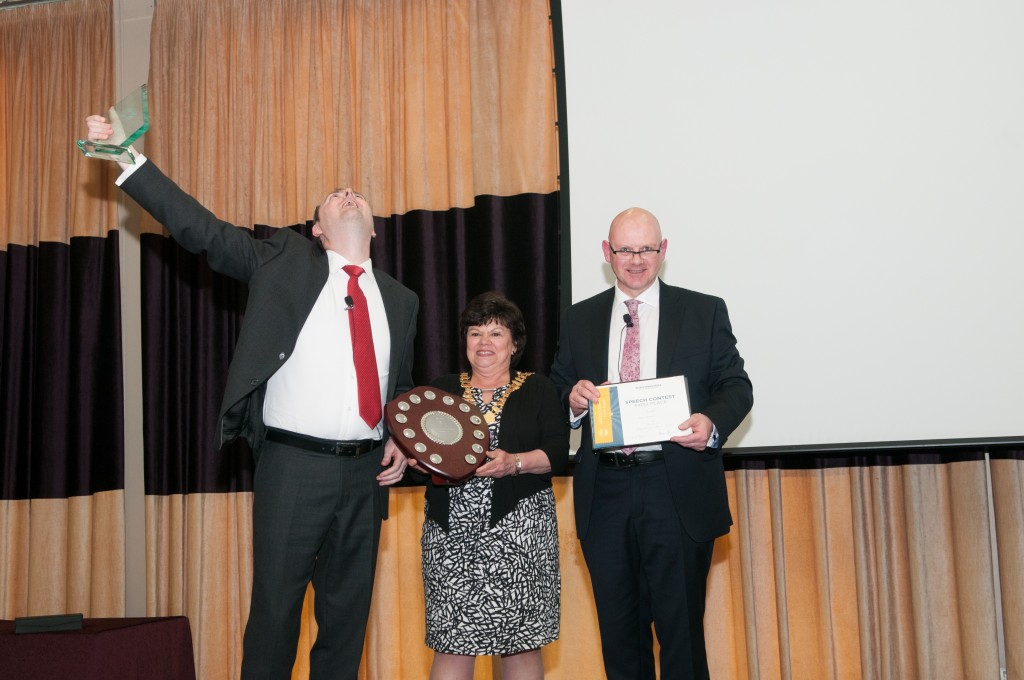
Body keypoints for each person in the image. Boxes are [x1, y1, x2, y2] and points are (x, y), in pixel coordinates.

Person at [84, 116, 419, 680]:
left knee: (347, 620)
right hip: (293, 466)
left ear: (375, 228)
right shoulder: (280, 260)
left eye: (355, 193)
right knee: (275, 613)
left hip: (365, 478)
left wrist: (401, 442)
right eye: (334, 197)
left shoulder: (401, 299)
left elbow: (400, 385)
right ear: (318, 229)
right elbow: (203, 231)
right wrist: (125, 157)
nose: (347, 193)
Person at [550, 208, 753, 680]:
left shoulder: (703, 310)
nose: (636, 260)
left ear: (664, 250)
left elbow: (736, 386)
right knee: (620, 640)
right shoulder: (579, 319)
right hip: (606, 493)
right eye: (625, 250)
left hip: (676, 487)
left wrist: (711, 420)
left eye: (646, 249)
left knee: (682, 636)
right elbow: (559, 387)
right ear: (607, 253)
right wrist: (573, 400)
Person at [411, 291, 568, 680]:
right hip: (450, 540)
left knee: (520, 648)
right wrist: (418, 461)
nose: (484, 342)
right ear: (464, 342)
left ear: (515, 344)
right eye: (475, 332)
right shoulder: (441, 389)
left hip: (520, 536)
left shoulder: (539, 388)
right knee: (452, 644)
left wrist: (513, 463)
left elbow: (557, 454)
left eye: (496, 333)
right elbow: (423, 456)